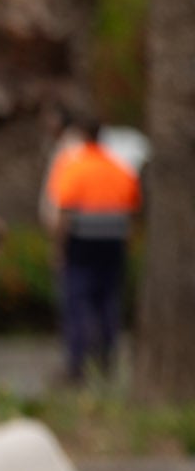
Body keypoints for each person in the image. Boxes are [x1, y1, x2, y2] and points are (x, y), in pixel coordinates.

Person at [45, 112, 142, 383]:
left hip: (82, 243)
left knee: (76, 301)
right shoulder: (120, 168)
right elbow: (134, 209)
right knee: (108, 301)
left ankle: (76, 363)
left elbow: (63, 211)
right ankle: (108, 357)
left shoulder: (74, 167)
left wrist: (57, 248)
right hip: (113, 244)